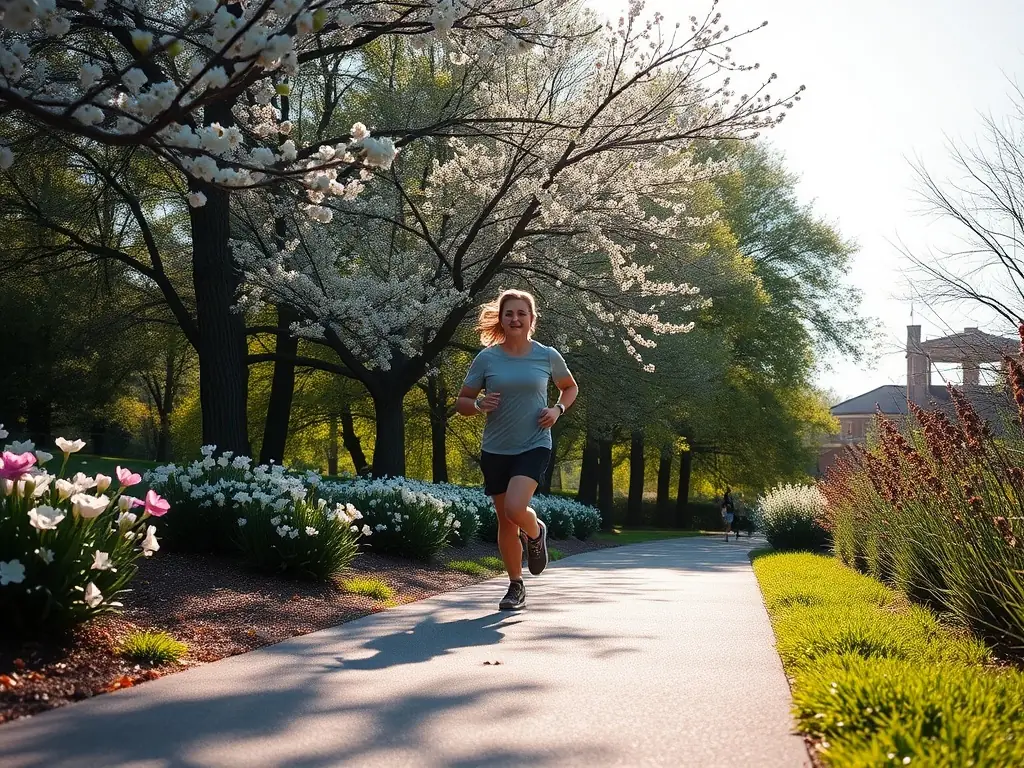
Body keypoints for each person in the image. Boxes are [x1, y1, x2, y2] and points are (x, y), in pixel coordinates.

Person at [456, 289, 579, 610]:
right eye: (509, 313)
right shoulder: (487, 358)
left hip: (534, 444)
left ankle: (536, 532)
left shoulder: (547, 355)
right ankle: (515, 585)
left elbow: (570, 388)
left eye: (521, 313)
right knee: (506, 522)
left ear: (531, 320)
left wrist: (557, 410)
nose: (515, 319)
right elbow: (462, 402)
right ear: (501, 319)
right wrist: (480, 404)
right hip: (496, 449)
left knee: (515, 508)